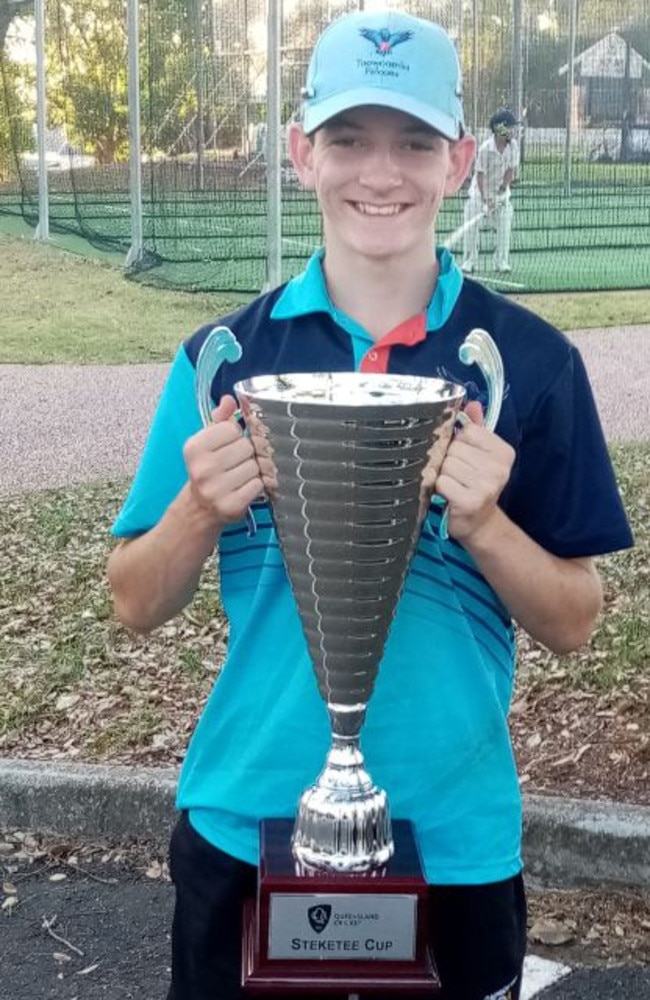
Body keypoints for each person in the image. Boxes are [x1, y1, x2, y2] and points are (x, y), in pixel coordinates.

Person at [107, 10, 632, 1000]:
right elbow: (134, 599)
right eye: (348, 139)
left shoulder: (527, 363)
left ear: (458, 158)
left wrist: (485, 523)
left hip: (452, 832)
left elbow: (573, 620)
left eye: (412, 142)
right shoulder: (225, 360)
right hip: (245, 819)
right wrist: (195, 512)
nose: (377, 173)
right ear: (301, 152)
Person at [461, 108, 520, 274]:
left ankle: (501, 261)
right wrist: (486, 199)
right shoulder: (485, 148)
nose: (513, 131)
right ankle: (469, 261)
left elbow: (510, 171)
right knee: (471, 222)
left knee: (505, 221)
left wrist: (501, 193)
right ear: (499, 128)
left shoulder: (514, 146)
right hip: (479, 194)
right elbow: (480, 176)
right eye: (510, 127)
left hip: (500, 194)